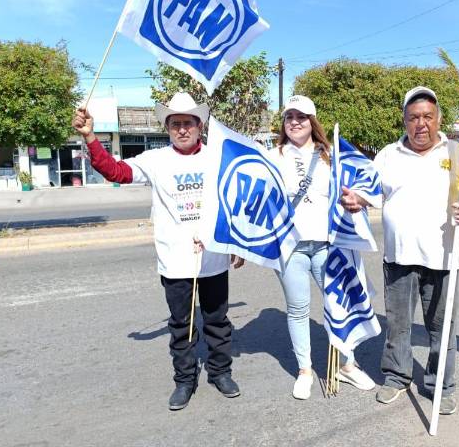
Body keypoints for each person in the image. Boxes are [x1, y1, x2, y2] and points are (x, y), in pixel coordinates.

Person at [72, 92, 242, 411]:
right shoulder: (154, 160)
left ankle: (220, 372)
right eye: (175, 123)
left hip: (214, 259)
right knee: (182, 326)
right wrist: (91, 137)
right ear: (167, 128)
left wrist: (237, 243)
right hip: (175, 262)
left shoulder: (219, 158)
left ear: (200, 125)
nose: (181, 129)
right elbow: (115, 171)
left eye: (188, 123)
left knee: (217, 321)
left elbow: (233, 201)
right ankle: (184, 381)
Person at [342, 86, 459, 415]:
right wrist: (355, 201)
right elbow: (368, 192)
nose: (421, 124)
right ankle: (396, 376)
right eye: (414, 117)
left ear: (439, 119)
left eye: (427, 117)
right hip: (398, 258)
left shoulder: (457, 151)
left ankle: (440, 386)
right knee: (398, 325)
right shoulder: (388, 155)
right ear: (405, 121)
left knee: (441, 328)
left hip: (443, 258)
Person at [268, 95, 375, 399]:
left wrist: (354, 200)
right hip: (290, 247)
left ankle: (346, 365)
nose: (295, 122)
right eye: (289, 117)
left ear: (312, 122)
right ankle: (304, 371)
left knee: (338, 305)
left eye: (301, 117)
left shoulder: (332, 155)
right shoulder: (272, 156)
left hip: (328, 245)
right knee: (298, 309)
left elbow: (360, 184)